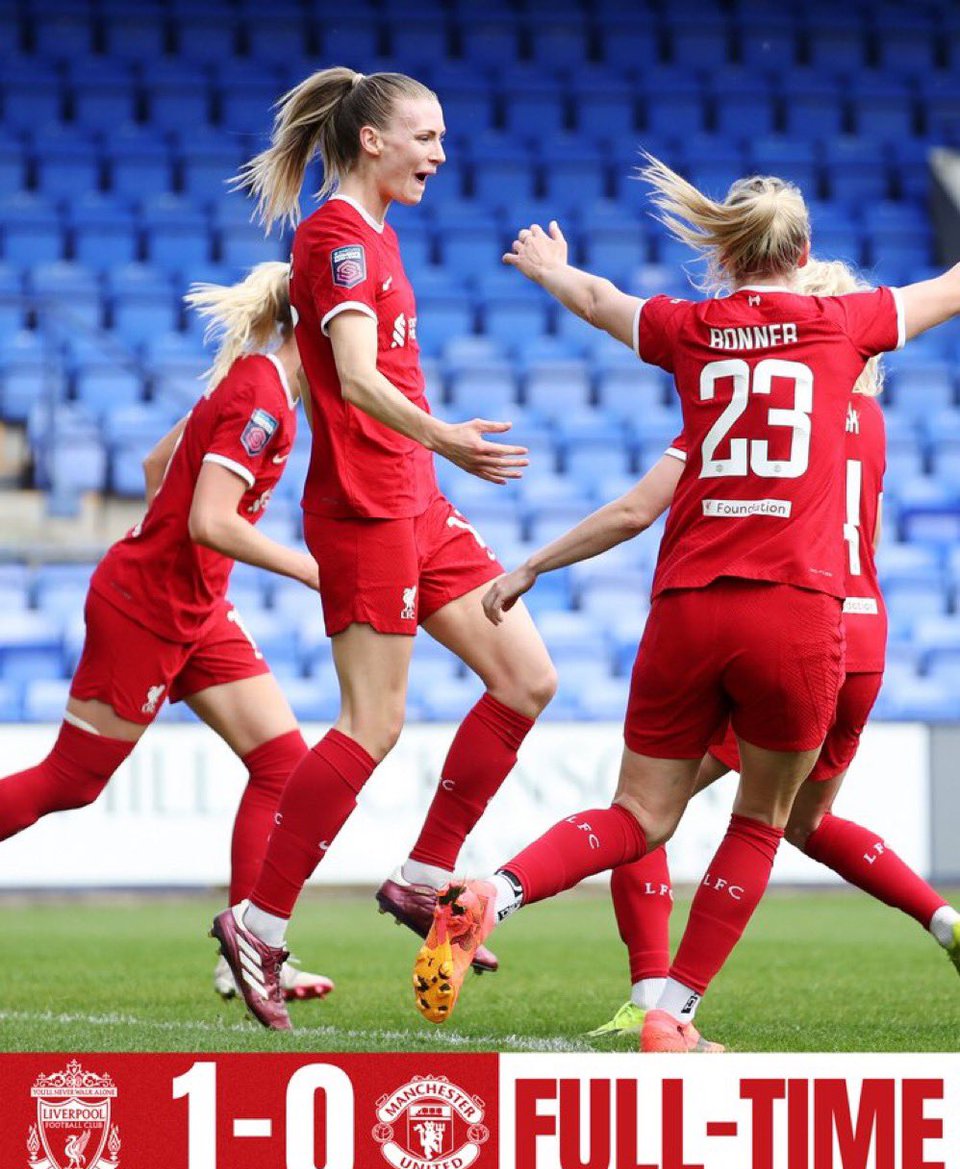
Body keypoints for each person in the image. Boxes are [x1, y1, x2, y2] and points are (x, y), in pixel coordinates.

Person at [412, 157, 960, 1050]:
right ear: (806, 251)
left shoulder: (692, 327)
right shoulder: (845, 326)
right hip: (798, 611)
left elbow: (601, 302)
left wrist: (551, 271)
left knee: (637, 815)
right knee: (762, 818)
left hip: (687, 606)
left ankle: (490, 893)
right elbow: (948, 287)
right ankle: (672, 1014)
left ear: (728, 253)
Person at [211, 68, 557, 1031]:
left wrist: (435, 458)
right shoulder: (334, 238)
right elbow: (356, 378)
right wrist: (445, 434)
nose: (440, 155)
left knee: (526, 679)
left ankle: (420, 878)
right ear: (372, 141)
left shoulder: (376, 236)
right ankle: (259, 922)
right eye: (427, 136)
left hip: (417, 501)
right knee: (373, 723)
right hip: (367, 506)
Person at [0, 262, 332, 1005]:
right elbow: (208, 519)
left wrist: (176, 560)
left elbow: (160, 466)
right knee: (71, 783)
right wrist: (311, 571)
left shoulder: (252, 382)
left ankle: (245, 951)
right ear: (315, 329)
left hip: (195, 608)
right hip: (146, 610)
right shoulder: (263, 401)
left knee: (284, 763)